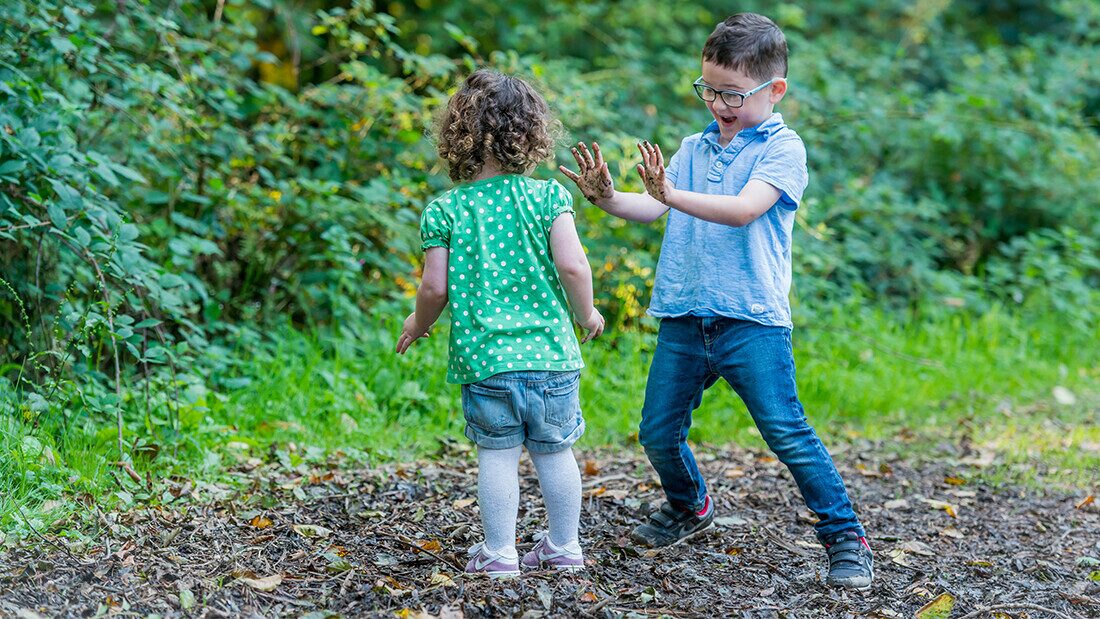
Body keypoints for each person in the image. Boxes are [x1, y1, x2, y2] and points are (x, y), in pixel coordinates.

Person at [560, 13, 873, 589]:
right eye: (708, 90)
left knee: (786, 432)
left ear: (774, 89)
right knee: (657, 430)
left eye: (732, 93)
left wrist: (672, 193)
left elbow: (743, 210)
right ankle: (689, 506)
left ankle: (845, 536)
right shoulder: (693, 147)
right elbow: (655, 206)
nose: (718, 104)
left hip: (750, 320)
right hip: (684, 313)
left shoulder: (783, 149)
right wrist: (606, 197)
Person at [397, 69, 605, 578]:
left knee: (497, 455)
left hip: (486, 360)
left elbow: (435, 289)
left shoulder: (445, 210)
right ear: (531, 133)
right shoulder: (549, 199)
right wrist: (588, 313)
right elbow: (574, 266)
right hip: (552, 358)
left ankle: (498, 554)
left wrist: (418, 322)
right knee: (556, 453)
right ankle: (564, 546)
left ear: (458, 136)